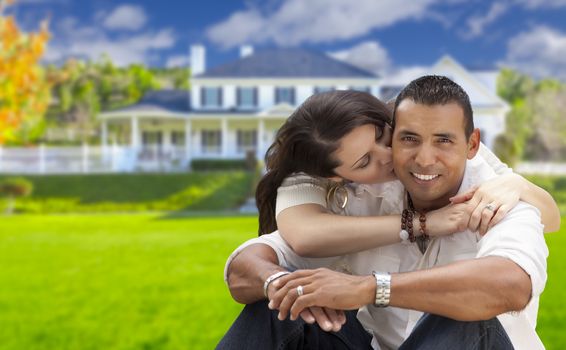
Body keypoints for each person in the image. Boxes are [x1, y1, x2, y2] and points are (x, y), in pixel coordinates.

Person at [219, 79, 555, 349]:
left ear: (471, 144)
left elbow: (509, 285)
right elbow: (247, 266)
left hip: (475, 342)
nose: (423, 159)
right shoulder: (360, 195)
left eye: (443, 141)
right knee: (280, 308)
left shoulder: (498, 195)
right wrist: (279, 284)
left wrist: (370, 288)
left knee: (469, 311)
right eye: (408, 139)